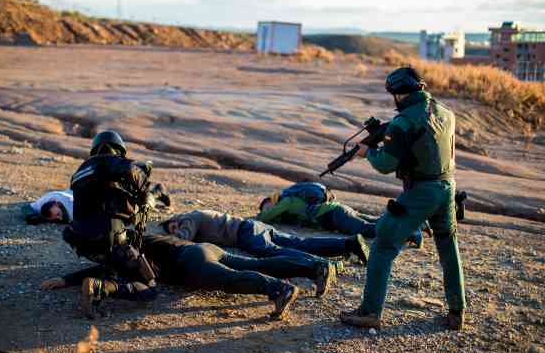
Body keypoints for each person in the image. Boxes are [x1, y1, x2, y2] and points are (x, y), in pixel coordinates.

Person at [339, 67, 466, 330]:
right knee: (448, 247)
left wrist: (368, 153)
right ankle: (457, 312)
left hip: (421, 191)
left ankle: (369, 312)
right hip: (448, 186)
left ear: (398, 94)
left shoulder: (403, 122)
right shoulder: (445, 111)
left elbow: (386, 164)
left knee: (383, 245)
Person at [41, 234, 323, 320]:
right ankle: (314, 268)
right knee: (261, 262)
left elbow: (106, 271)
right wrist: (68, 279)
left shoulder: (124, 248)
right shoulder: (137, 234)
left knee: (228, 281)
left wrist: (68, 279)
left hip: (189, 261)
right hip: (203, 249)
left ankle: (278, 290)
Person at [55, 130, 159, 317]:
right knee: (150, 288)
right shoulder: (110, 161)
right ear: (118, 150)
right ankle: (101, 288)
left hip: (82, 243)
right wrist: (145, 191)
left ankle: (92, 280)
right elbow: (133, 172)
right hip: (107, 239)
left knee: (112, 267)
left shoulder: (79, 172)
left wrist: (66, 280)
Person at [160, 208, 369, 266]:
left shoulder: (188, 218)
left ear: (175, 219)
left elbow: (182, 240)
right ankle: (348, 244)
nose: (174, 230)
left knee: (269, 252)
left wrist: (171, 236)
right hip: (253, 225)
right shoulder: (197, 214)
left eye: (172, 226)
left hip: (244, 233)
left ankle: (318, 264)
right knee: (300, 241)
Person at [257, 181, 424, 248]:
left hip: (335, 215)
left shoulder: (287, 201)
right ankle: (416, 223)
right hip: (337, 209)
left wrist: (257, 217)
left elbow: (266, 217)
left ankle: (411, 232)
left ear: (272, 201)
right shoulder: (291, 203)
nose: (267, 209)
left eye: (267, 206)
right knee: (374, 221)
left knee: (368, 230)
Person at [22, 184, 171, 225]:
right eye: (56, 218)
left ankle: (157, 192)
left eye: (59, 213)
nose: (59, 218)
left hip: (102, 200)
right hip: (90, 194)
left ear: (57, 203)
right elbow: (26, 208)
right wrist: (34, 216)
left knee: (139, 209)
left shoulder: (69, 206)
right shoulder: (45, 201)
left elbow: (70, 219)